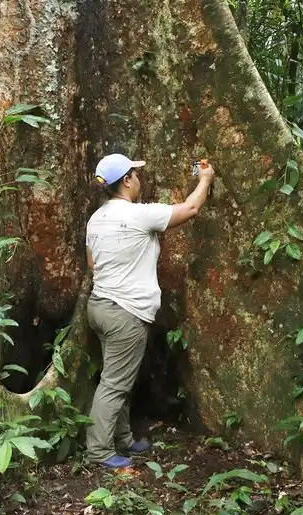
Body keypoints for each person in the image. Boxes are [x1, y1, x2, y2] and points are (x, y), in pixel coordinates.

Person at [84, 153, 215, 469]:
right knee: (114, 384)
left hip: (100, 306)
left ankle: (124, 438)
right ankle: (98, 451)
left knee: (118, 376)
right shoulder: (138, 215)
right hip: (124, 314)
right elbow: (191, 208)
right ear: (127, 180)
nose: (139, 179)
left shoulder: (96, 219)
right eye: (136, 174)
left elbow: (92, 264)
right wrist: (206, 180)